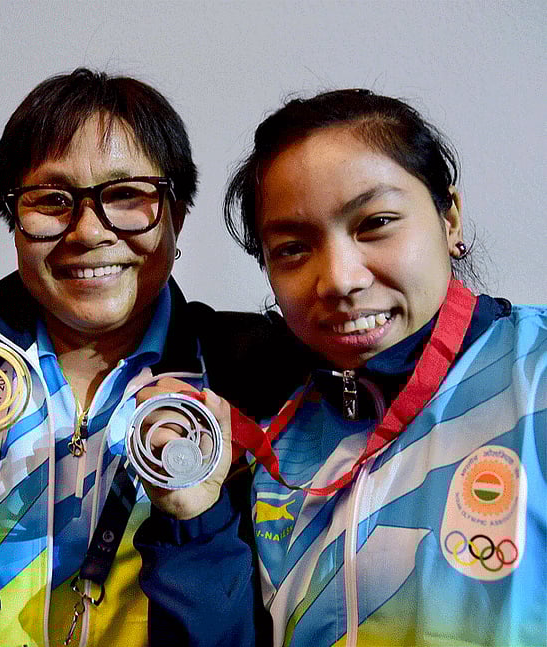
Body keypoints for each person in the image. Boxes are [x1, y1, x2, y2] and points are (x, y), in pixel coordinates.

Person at [134, 89, 546, 646]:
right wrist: (196, 523)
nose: (340, 280)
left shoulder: (535, 379)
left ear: (449, 218)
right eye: (293, 249)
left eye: (375, 223)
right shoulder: (274, 442)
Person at [0, 68, 298, 646]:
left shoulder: (251, 373)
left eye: (126, 196)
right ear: (12, 218)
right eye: (52, 200)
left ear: (178, 213)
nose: (89, 232)